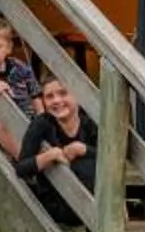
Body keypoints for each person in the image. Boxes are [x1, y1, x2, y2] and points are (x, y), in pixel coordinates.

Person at [15, 73, 102, 222]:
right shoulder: (41, 124)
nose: (56, 100)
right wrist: (50, 156)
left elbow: (110, 157)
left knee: (90, 165)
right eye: (49, 96)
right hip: (57, 200)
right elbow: (21, 168)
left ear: (77, 96)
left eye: (63, 93)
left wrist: (84, 149)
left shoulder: (89, 124)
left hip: (94, 199)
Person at [0, 12, 41, 159]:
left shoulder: (20, 68)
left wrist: (42, 118)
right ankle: (25, 160)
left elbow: (35, 94)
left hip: (25, 120)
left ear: (8, 48)